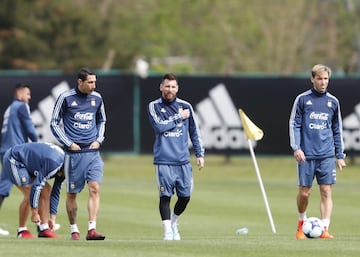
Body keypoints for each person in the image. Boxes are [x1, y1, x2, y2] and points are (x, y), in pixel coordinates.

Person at [289, 64, 346, 240]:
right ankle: (301, 222)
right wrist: (296, 147)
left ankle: (325, 228)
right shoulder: (302, 100)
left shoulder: (333, 102)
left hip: (327, 154)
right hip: (306, 155)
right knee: (305, 192)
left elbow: (337, 129)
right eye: (320, 78)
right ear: (312, 79)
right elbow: (294, 124)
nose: (323, 82)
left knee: (326, 190)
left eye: (326, 79)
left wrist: (340, 155)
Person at [50, 67, 106, 241]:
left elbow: (101, 120)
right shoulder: (66, 98)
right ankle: (74, 229)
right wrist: (69, 143)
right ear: (80, 82)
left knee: (95, 188)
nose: (93, 86)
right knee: (72, 194)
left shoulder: (97, 98)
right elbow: (54, 123)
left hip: (93, 152)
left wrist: (99, 139)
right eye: (90, 82)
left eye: (95, 82)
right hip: (74, 154)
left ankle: (92, 229)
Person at [147, 73, 205, 240]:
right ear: (161, 87)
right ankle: (167, 232)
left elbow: (194, 131)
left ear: (177, 88)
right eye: (167, 86)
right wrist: (179, 117)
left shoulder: (186, 106)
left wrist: (200, 154)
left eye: (173, 87)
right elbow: (159, 127)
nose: (169, 89)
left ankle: (174, 222)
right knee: (165, 196)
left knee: (185, 197)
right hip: (164, 160)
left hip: (183, 161)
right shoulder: (154, 106)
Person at [1, 142, 65, 238]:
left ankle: (44, 228)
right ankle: (22, 230)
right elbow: (37, 186)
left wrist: (52, 217)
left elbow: (55, 192)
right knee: (30, 192)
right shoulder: (54, 164)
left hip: (30, 163)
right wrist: (34, 212)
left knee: (47, 190)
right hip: (14, 159)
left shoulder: (65, 168)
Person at [0, 83, 38, 236]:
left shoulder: (10, 108)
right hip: (15, 153)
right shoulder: (22, 106)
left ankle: (43, 223)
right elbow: (29, 128)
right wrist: (37, 145)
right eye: (27, 94)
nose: (29, 97)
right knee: (33, 188)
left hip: (6, 150)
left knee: (3, 189)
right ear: (20, 94)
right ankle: (41, 224)